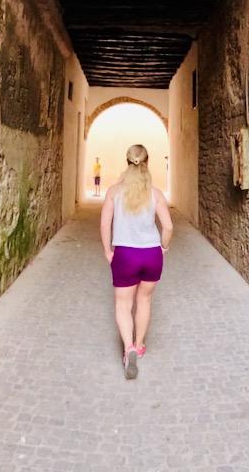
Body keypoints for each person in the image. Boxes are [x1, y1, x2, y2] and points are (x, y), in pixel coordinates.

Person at [99, 144, 173, 379]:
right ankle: (139, 346)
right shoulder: (155, 193)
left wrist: (107, 251)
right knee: (145, 301)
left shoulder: (113, 192)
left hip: (125, 255)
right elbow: (168, 226)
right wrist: (163, 247)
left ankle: (128, 347)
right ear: (147, 162)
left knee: (123, 305)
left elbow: (104, 224)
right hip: (151, 254)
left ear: (127, 161)